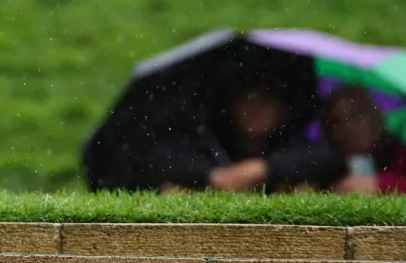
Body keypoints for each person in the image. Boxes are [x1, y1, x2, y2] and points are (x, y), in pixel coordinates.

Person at [143, 85, 339, 193]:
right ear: (231, 108)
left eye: (265, 102)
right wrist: (212, 176)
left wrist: (262, 168)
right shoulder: (209, 139)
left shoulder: (293, 142)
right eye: (247, 101)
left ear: (282, 112)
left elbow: (325, 157)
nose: (255, 109)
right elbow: (161, 157)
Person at [321, 86, 406, 194]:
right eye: (337, 121)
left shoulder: (400, 156)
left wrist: (381, 184)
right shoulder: (326, 170)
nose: (348, 126)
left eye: (356, 115)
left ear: (374, 117)